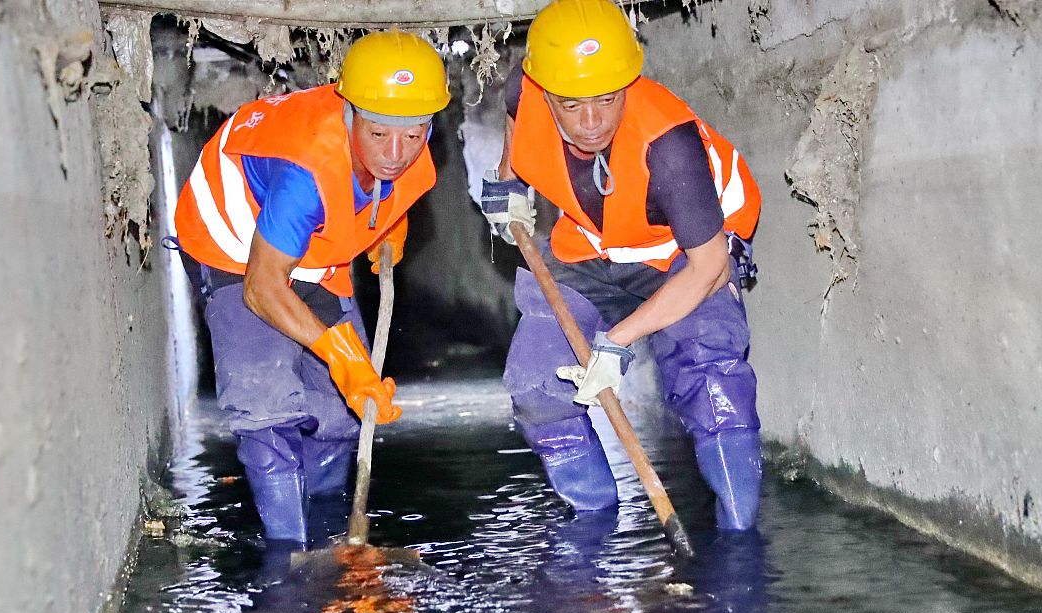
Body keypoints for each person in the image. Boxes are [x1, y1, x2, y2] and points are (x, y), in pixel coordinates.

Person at [480, 0, 763, 530]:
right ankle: (595, 524)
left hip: (686, 253)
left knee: (711, 374)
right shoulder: (527, 88)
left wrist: (616, 343)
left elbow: (708, 269)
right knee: (538, 386)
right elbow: (517, 129)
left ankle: (738, 538)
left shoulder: (669, 143)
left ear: (628, 82)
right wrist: (509, 186)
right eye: (570, 105)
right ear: (545, 91)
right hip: (591, 248)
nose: (591, 123)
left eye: (608, 100)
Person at [172, 30, 450, 543]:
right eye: (378, 134)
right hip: (235, 246)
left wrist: (385, 226)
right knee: (267, 402)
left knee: (345, 408)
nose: (395, 152)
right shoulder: (305, 166)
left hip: (314, 253)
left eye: (412, 135)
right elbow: (261, 287)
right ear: (349, 112)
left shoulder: (408, 145)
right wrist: (334, 351)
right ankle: (288, 550)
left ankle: (326, 528)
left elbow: (381, 184)